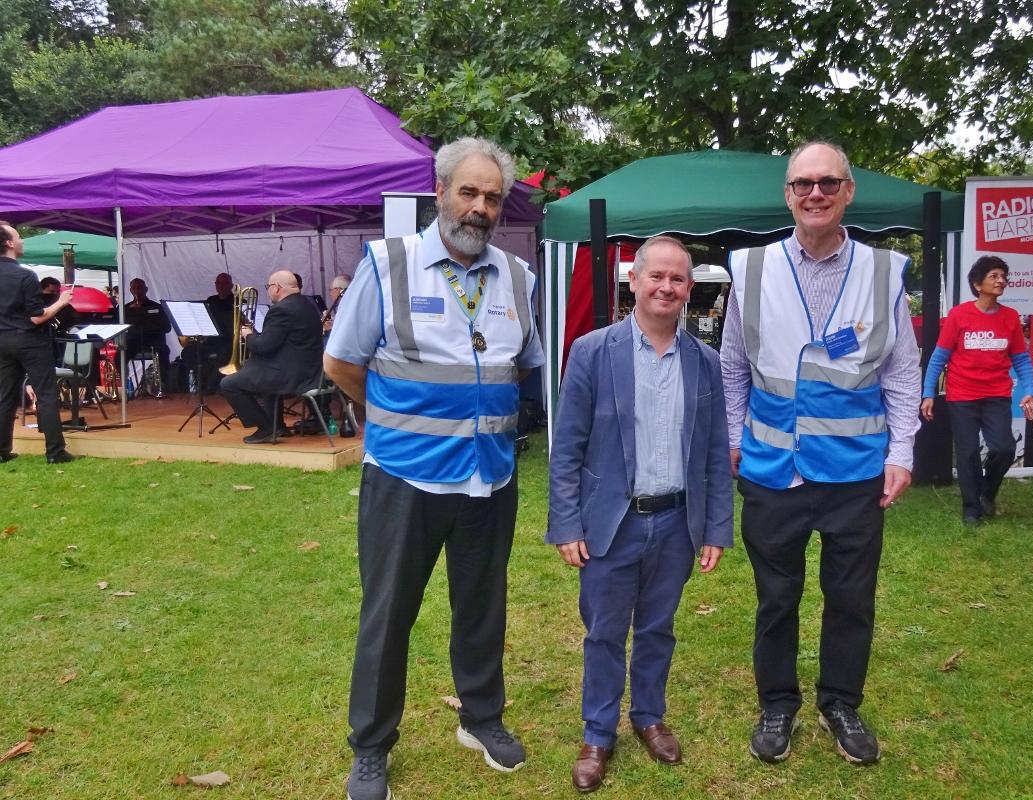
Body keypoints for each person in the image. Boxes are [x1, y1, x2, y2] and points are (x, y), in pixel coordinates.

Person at [324, 137, 544, 800]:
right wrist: (392, 417)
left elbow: (523, 366)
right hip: (404, 476)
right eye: (468, 192)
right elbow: (341, 363)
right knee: (388, 614)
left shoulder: (519, 279)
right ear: (441, 191)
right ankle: (371, 746)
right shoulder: (390, 265)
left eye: (492, 198)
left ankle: (481, 719)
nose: (479, 208)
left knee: (483, 607)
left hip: (489, 476)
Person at [721, 141, 920, 766]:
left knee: (851, 599)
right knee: (776, 598)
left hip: (856, 473)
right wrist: (732, 436)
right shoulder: (749, 269)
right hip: (774, 470)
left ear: (848, 191)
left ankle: (841, 703)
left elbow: (903, 372)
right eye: (803, 183)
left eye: (828, 183)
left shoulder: (884, 272)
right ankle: (777, 704)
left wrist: (904, 449)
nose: (815, 193)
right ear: (788, 193)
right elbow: (732, 367)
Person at [546, 236, 733, 792]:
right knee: (604, 633)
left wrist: (717, 526)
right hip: (611, 522)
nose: (666, 287)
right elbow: (567, 449)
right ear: (633, 281)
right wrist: (566, 522)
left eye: (678, 279)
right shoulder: (591, 351)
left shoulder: (706, 361)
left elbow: (714, 451)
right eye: (656, 276)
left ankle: (649, 716)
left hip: (677, 521)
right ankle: (598, 734)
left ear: (689, 290)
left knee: (657, 629)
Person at [921, 256, 1033, 525]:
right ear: (977, 283)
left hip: (996, 394)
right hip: (962, 395)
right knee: (968, 451)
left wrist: (1030, 388)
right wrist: (928, 392)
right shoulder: (959, 315)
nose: (1001, 281)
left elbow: (1020, 359)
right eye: (994, 276)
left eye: (1003, 276)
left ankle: (986, 492)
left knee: (1005, 448)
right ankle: (971, 507)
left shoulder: (1009, 318)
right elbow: (939, 357)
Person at [0, 221, 76, 463]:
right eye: (18, 237)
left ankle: (2, 451)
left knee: (5, 396)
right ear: (9, 243)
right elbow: (36, 317)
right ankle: (55, 452)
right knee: (45, 393)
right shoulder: (25, 275)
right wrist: (61, 302)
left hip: (2, 340)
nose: (22, 240)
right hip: (30, 341)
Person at [218, 271, 323, 444]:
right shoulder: (307, 303)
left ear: (277, 288)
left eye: (268, 287)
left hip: (291, 374)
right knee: (261, 378)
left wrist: (248, 335)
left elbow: (263, 347)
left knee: (228, 384)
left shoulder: (281, 310)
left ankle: (266, 428)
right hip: (310, 370)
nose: (268, 291)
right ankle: (278, 426)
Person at [124, 278, 172, 397]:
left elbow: (167, 327)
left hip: (153, 340)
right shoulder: (125, 309)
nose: (137, 291)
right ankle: (125, 387)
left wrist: (151, 326)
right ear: (130, 290)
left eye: (139, 288)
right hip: (134, 341)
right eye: (134, 288)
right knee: (119, 355)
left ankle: (161, 386)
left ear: (146, 289)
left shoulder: (156, 306)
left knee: (163, 351)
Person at [323, 273, 351, 337]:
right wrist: (331, 322)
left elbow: (344, 331)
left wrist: (329, 328)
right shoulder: (347, 304)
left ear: (338, 290)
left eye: (330, 290)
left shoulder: (345, 307)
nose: (330, 294)